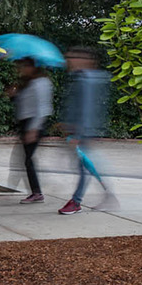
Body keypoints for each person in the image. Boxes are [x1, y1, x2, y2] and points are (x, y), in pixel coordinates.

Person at [58, 46, 113, 215]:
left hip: (84, 130)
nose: (69, 60)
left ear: (85, 60)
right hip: (80, 129)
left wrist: (79, 133)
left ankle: (76, 201)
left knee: (85, 165)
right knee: (88, 165)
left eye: (73, 57)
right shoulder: (80, 78)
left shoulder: (86, 79)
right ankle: (108, 196)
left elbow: (87, 108)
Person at [5, 58, 52, 203]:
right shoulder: (28, 83)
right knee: (24, 158)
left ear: (32, 67)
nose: (20, 69)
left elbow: (43, 108)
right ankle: (27, 189)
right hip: (25, 123)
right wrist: (14, 95)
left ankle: (36, 193)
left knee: (28, 159)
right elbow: (23, 104)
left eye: (23, 66)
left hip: (33, 124)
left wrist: (33, 129)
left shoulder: (42, 83)